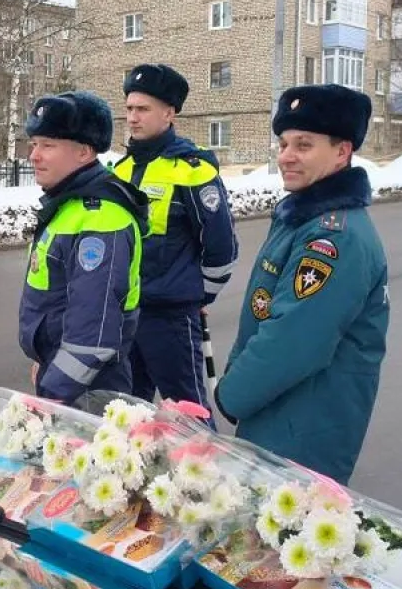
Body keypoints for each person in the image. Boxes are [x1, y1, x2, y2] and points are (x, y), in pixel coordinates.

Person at [214, 83, 390, 486]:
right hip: (280, 410)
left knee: (285, 535)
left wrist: (233, 393)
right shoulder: (303, 218)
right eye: (284, 143)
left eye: (304, 145)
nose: (286, 157)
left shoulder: (334, 236)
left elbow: (293, 341)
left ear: (342, 151)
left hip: (303, 424)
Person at [111, 63, 239, 422]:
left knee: (189, 418)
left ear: (169, 113)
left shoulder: (193, 170)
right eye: (129, 108)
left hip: (170, 318)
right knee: (126, 416)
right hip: (127, 315)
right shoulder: (121, 170)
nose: (133, 118)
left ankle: (205, 477)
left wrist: (199, 296)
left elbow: (222, 248)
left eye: (143, 109)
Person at [19, 90, 150, 405]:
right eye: (34, 144)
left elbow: (94, 331)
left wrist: (55, 392)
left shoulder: (101, 218)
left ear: (84, 152)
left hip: (89, 387)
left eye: (48, 145)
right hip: (66, 372)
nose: (33, 155)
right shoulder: (69, 204)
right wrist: (44, 360)